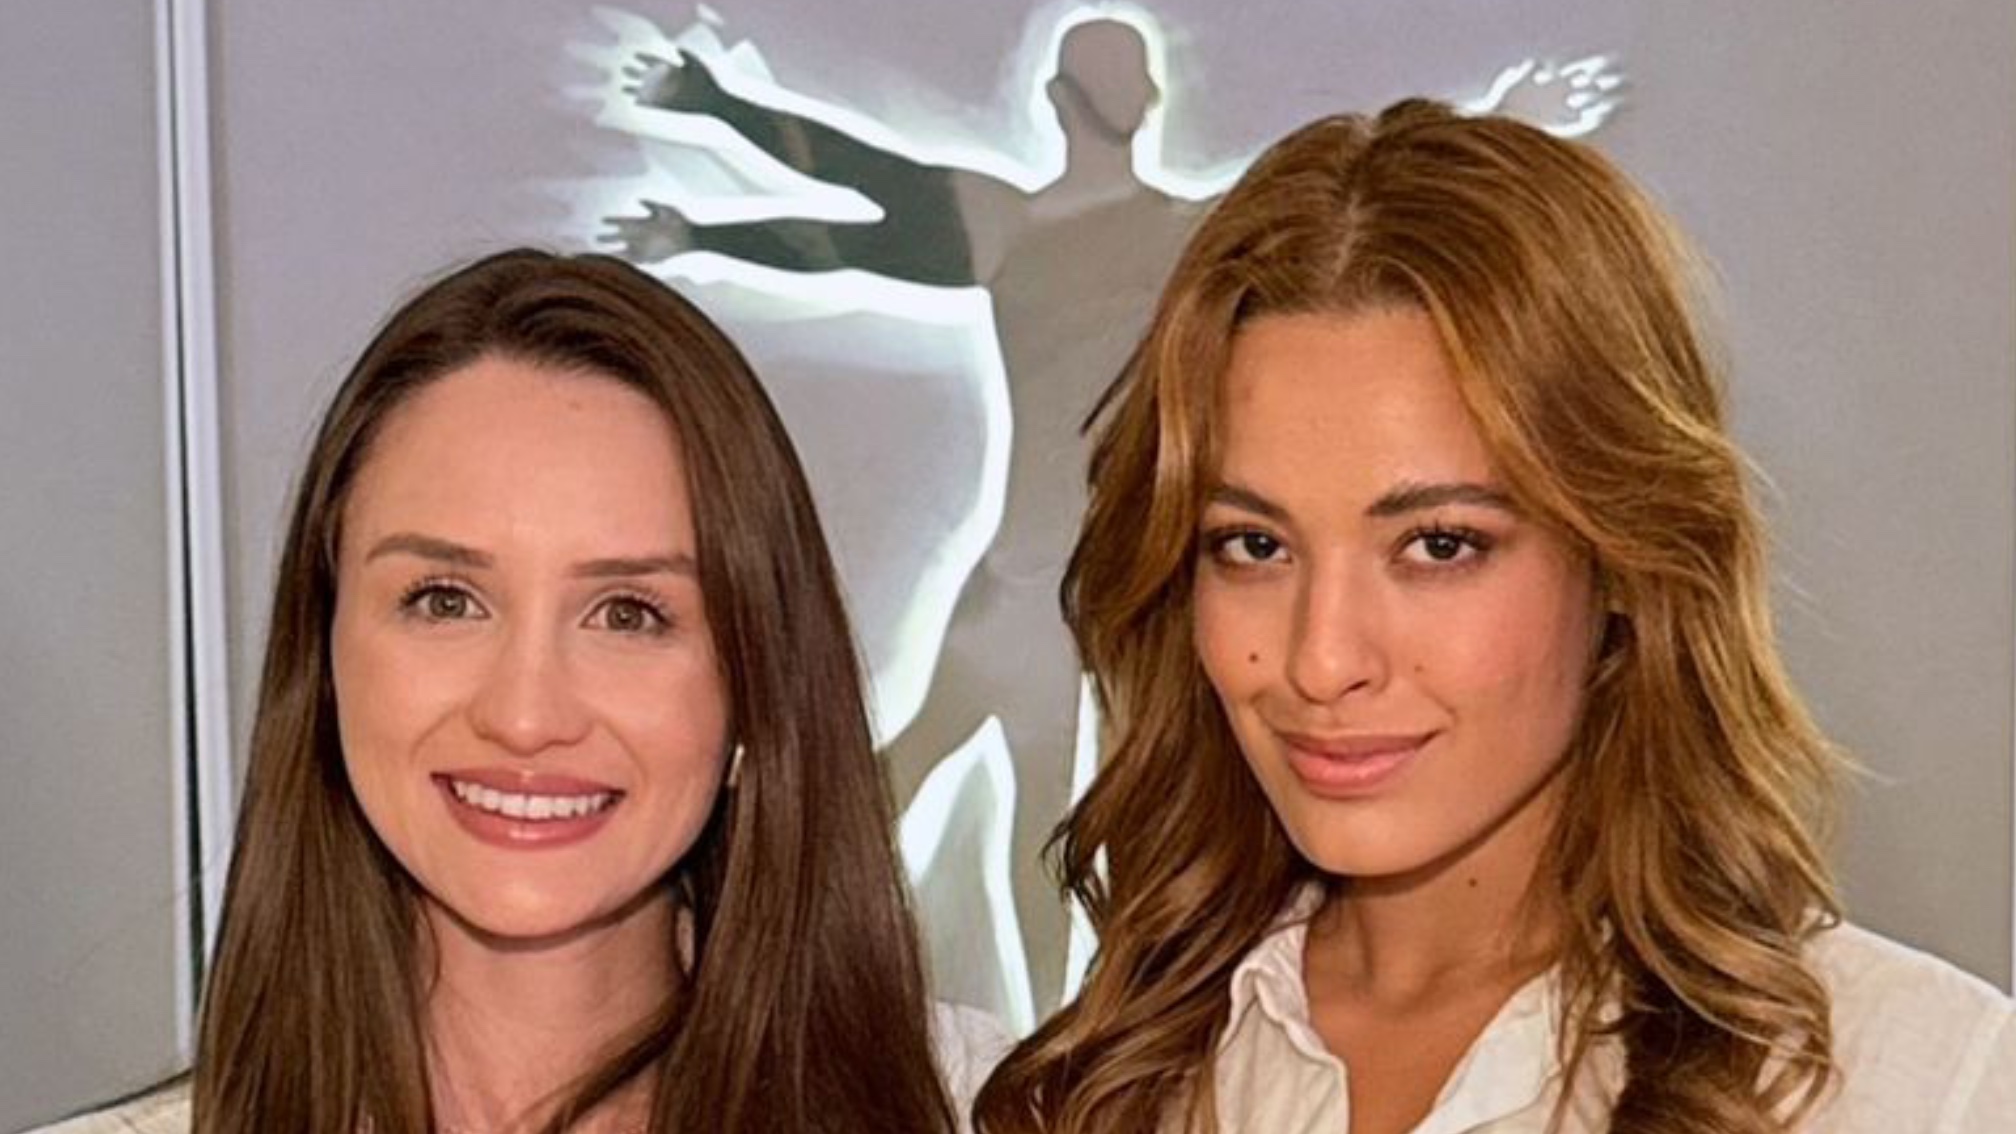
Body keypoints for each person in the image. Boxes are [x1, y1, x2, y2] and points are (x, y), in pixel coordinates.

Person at [974, 101, 2015, 1133]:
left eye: (1439, 545)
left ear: (1622, 556)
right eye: (1254, 545)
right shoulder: (1104, 1083)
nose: (1322, 660)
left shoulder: (1927, 1087)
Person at [39, 249, 1004, 1134]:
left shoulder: (998, 1114)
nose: (525, 716)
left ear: (756, 682)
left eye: (628, 614)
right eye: (445, 600)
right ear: (324, 654)